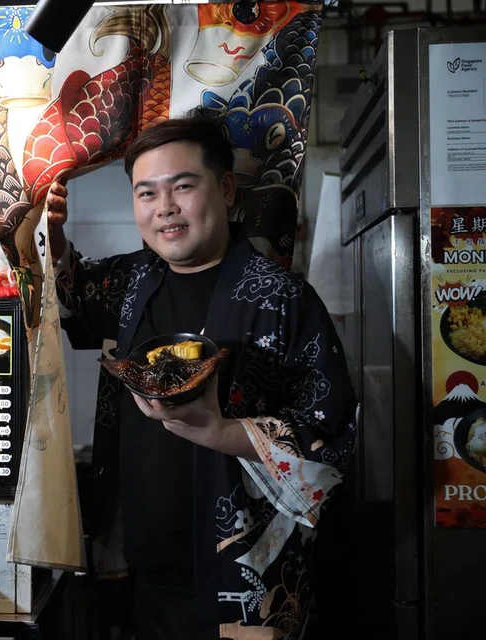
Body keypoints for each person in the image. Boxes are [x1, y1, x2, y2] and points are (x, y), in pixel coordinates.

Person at [47, 108, 358, 640]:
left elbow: (331, 441)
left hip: (248, 580)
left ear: (227, 189)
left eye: (182, 186)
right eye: (146, 194)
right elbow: (66, 296)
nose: (165, 209)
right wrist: (45, 229)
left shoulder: (282, 298)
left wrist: (221, 433)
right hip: (137, 574)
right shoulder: (131, 280)